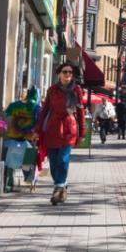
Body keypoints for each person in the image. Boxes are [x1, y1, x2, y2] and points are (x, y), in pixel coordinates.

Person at [33, 62, 85, 205]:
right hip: (52, 129)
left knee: (63, 159)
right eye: (65, 72)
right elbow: (44, 112)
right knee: (54, 162)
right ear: (59, 74)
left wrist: (82, 133)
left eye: (70, 72)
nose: (68, 74)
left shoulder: (76, 90)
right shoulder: (52, 90)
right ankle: (62, 185)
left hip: (69, 129)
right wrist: (37, 130)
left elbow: (80, 112)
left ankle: (58, 189)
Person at [3, 87, 40, 192]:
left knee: (10, 162)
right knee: (28, 160)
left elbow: (7, 116)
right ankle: (28, 177)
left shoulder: (15, 105)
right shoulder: (37, 109)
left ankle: (9, 184)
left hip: (13, 139)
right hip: (27, 139)